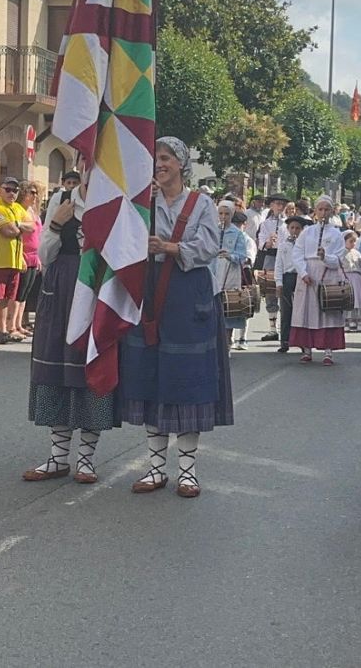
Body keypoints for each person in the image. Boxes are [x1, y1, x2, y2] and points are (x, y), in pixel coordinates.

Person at [119, 137, 232, 498]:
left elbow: (208, 247)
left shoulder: (202, 204)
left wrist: (167, 247)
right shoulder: (143, 203)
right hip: (151, 295)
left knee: (188, 383)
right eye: (155, 159)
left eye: (165, 158)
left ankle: (187, 472)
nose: (159, 165)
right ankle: (155, 470)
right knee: (151, 378)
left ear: (181, 163)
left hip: (189, 296)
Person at [23, 184, 121, 483]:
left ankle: (86, 460)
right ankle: (58, 457)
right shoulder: (62, 200)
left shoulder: (113, 202)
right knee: (57, 373)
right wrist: (55, 225)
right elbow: (45, 254)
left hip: (96, 290)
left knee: (92, 369)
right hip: (61, 291)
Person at [291, 195, 347, 364]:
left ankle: (328, 351)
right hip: (308, 274)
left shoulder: (336, 234)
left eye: (326, 209)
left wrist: (326, 257)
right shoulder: (307, 231)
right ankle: (306, 349)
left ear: (331, 211)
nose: (323, 213)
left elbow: (338, 259)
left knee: (327, 311)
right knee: (306, 311)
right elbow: (297, 253)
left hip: (327, 274)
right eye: (320, 209)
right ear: (315, 211)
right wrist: (303, 273)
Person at [0, 178, 30, 344]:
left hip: (15, 260)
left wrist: (17, 225)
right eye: (8, 189)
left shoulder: (17, 208)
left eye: (15, 190)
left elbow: (32, 226)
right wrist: (19, 227)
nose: (12, 193)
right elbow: (8, 231)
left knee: (7, 298)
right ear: (0, 190)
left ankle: (3, 328)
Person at [213, 200, 252, 350]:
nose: (223, 217)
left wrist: (230, 256)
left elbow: (242, 256)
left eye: (227, 214)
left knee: (229, 306)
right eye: (221, 213)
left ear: (232, 214)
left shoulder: (237, 234)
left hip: (230, 272)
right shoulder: (213, 230)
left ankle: (228, 341)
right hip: (213, 270)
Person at [254, 193, 289, 342]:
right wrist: (267, 243)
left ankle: (286, 329)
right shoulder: (265, 223)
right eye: (277, 204)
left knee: (285, 292)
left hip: (285, 258)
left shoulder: (288, 223)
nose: (280, 207)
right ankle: (272, 329)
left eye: (282, 204)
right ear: (272, 205)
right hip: (270, 256)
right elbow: (260, 242)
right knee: (270, 291)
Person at [13, 182, 44, 339]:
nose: (34, 196)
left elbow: (39, 235)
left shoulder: (33, 211)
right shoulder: (19, 210)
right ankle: (12, 325)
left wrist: (39, 256)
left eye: (36, 193)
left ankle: (19, 324)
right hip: (22, 254)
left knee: (26, 293)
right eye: (31, 192)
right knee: (18, 292)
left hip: (34, 255)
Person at [275, 214, 305, 353]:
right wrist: (278, 283)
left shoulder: (304, 245)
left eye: (297, 228)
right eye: (292, 228)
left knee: (301, 310)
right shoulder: (283, 246)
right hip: (288, 278)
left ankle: (302, 341)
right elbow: (278, 265)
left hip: (301, 277)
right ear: (288, 229)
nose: (294, 231)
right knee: (286, 310)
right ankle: (285, 341)